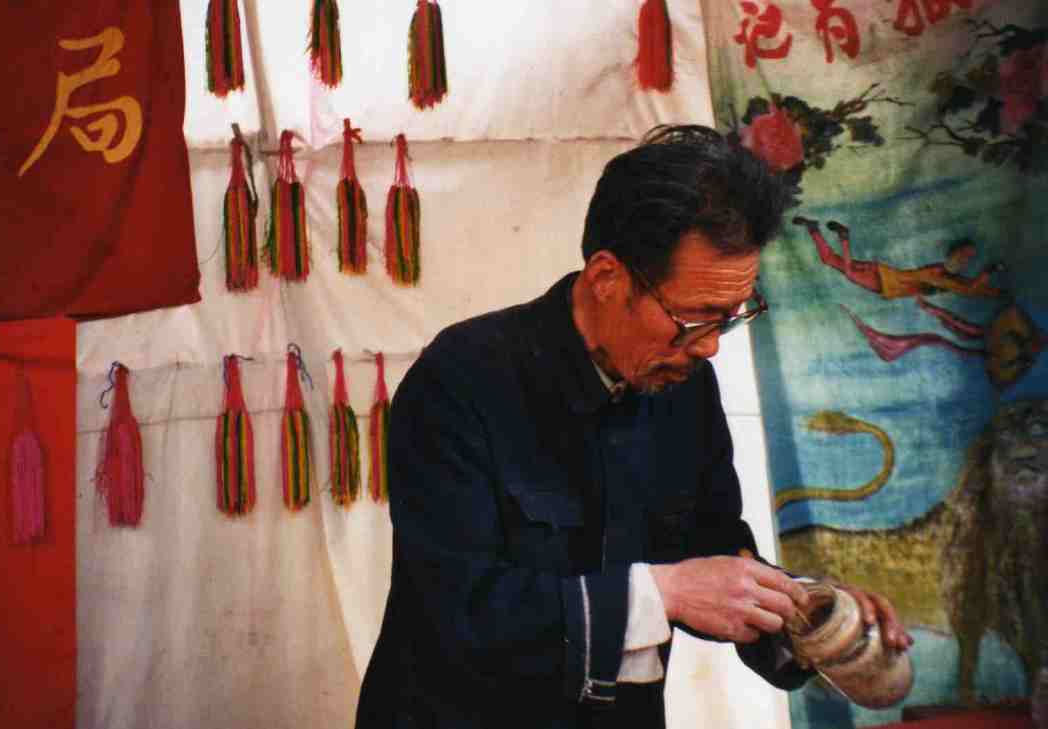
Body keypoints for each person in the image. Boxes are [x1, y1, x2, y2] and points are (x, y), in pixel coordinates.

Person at [355, 125, 912, 729]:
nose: (710, 347)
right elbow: (456, 607)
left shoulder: (684, 386)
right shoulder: (461, 379)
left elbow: (712, 550)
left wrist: (809, 614)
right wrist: (662, 594)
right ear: (606, 278)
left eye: (730, 318)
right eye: (694, 318)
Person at [791, 216, 1005, 299]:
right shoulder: (940, 277)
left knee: (830, 260)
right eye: (964, 256)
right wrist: (991, 271)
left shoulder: (940, 275)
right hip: (886, 282)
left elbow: (972, 286)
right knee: (848, 272)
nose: (963, 260)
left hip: (885, 275)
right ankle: (844, 237)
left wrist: (990, 280)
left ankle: (813, 228)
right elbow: (970, 287)